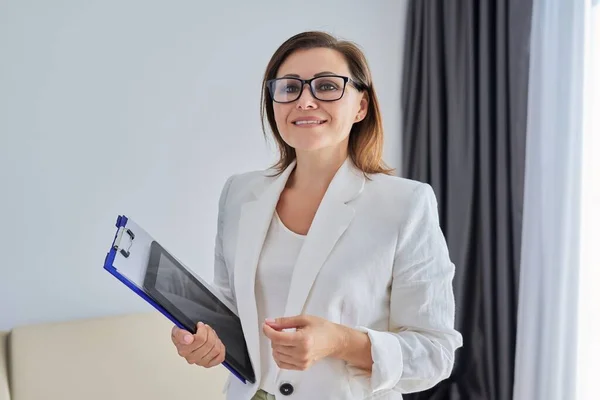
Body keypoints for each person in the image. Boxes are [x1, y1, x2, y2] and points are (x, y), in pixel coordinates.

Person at [170, 31, 463, 400]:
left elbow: (436, 353)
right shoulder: (239, 194)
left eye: (326, 86)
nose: (305, 101)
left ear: (361, 106)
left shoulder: (406, 204)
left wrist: (340, 341)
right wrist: (200, 336)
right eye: (289, 88)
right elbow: (230, 307)